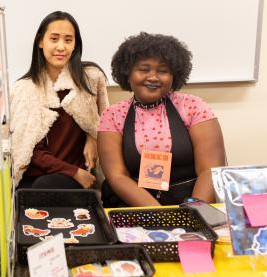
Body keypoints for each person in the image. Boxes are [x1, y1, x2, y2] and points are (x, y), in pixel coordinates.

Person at [97, 32, 226, 207]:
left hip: (193, 203)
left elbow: (209, 170)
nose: (153, 77)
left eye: (163, 71)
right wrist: (161, 215)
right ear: (127, 73)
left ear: (174, 76)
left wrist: (193, 213)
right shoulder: (112, 115)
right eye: (143, 69)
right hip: (135, 206)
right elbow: (117, 176)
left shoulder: (193, 106)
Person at [11, 11, 109, 189]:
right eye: (54, 39)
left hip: (74, 179)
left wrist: (92, 137)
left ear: (75, 44)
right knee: (42, 186)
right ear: (40, 41)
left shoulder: (91, 79)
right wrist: (74, 172)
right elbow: (27, 149)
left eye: (68, 40)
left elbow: (104, 123)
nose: (61, 47)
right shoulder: (24, 89)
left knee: (48, 186)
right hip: (38, 177)